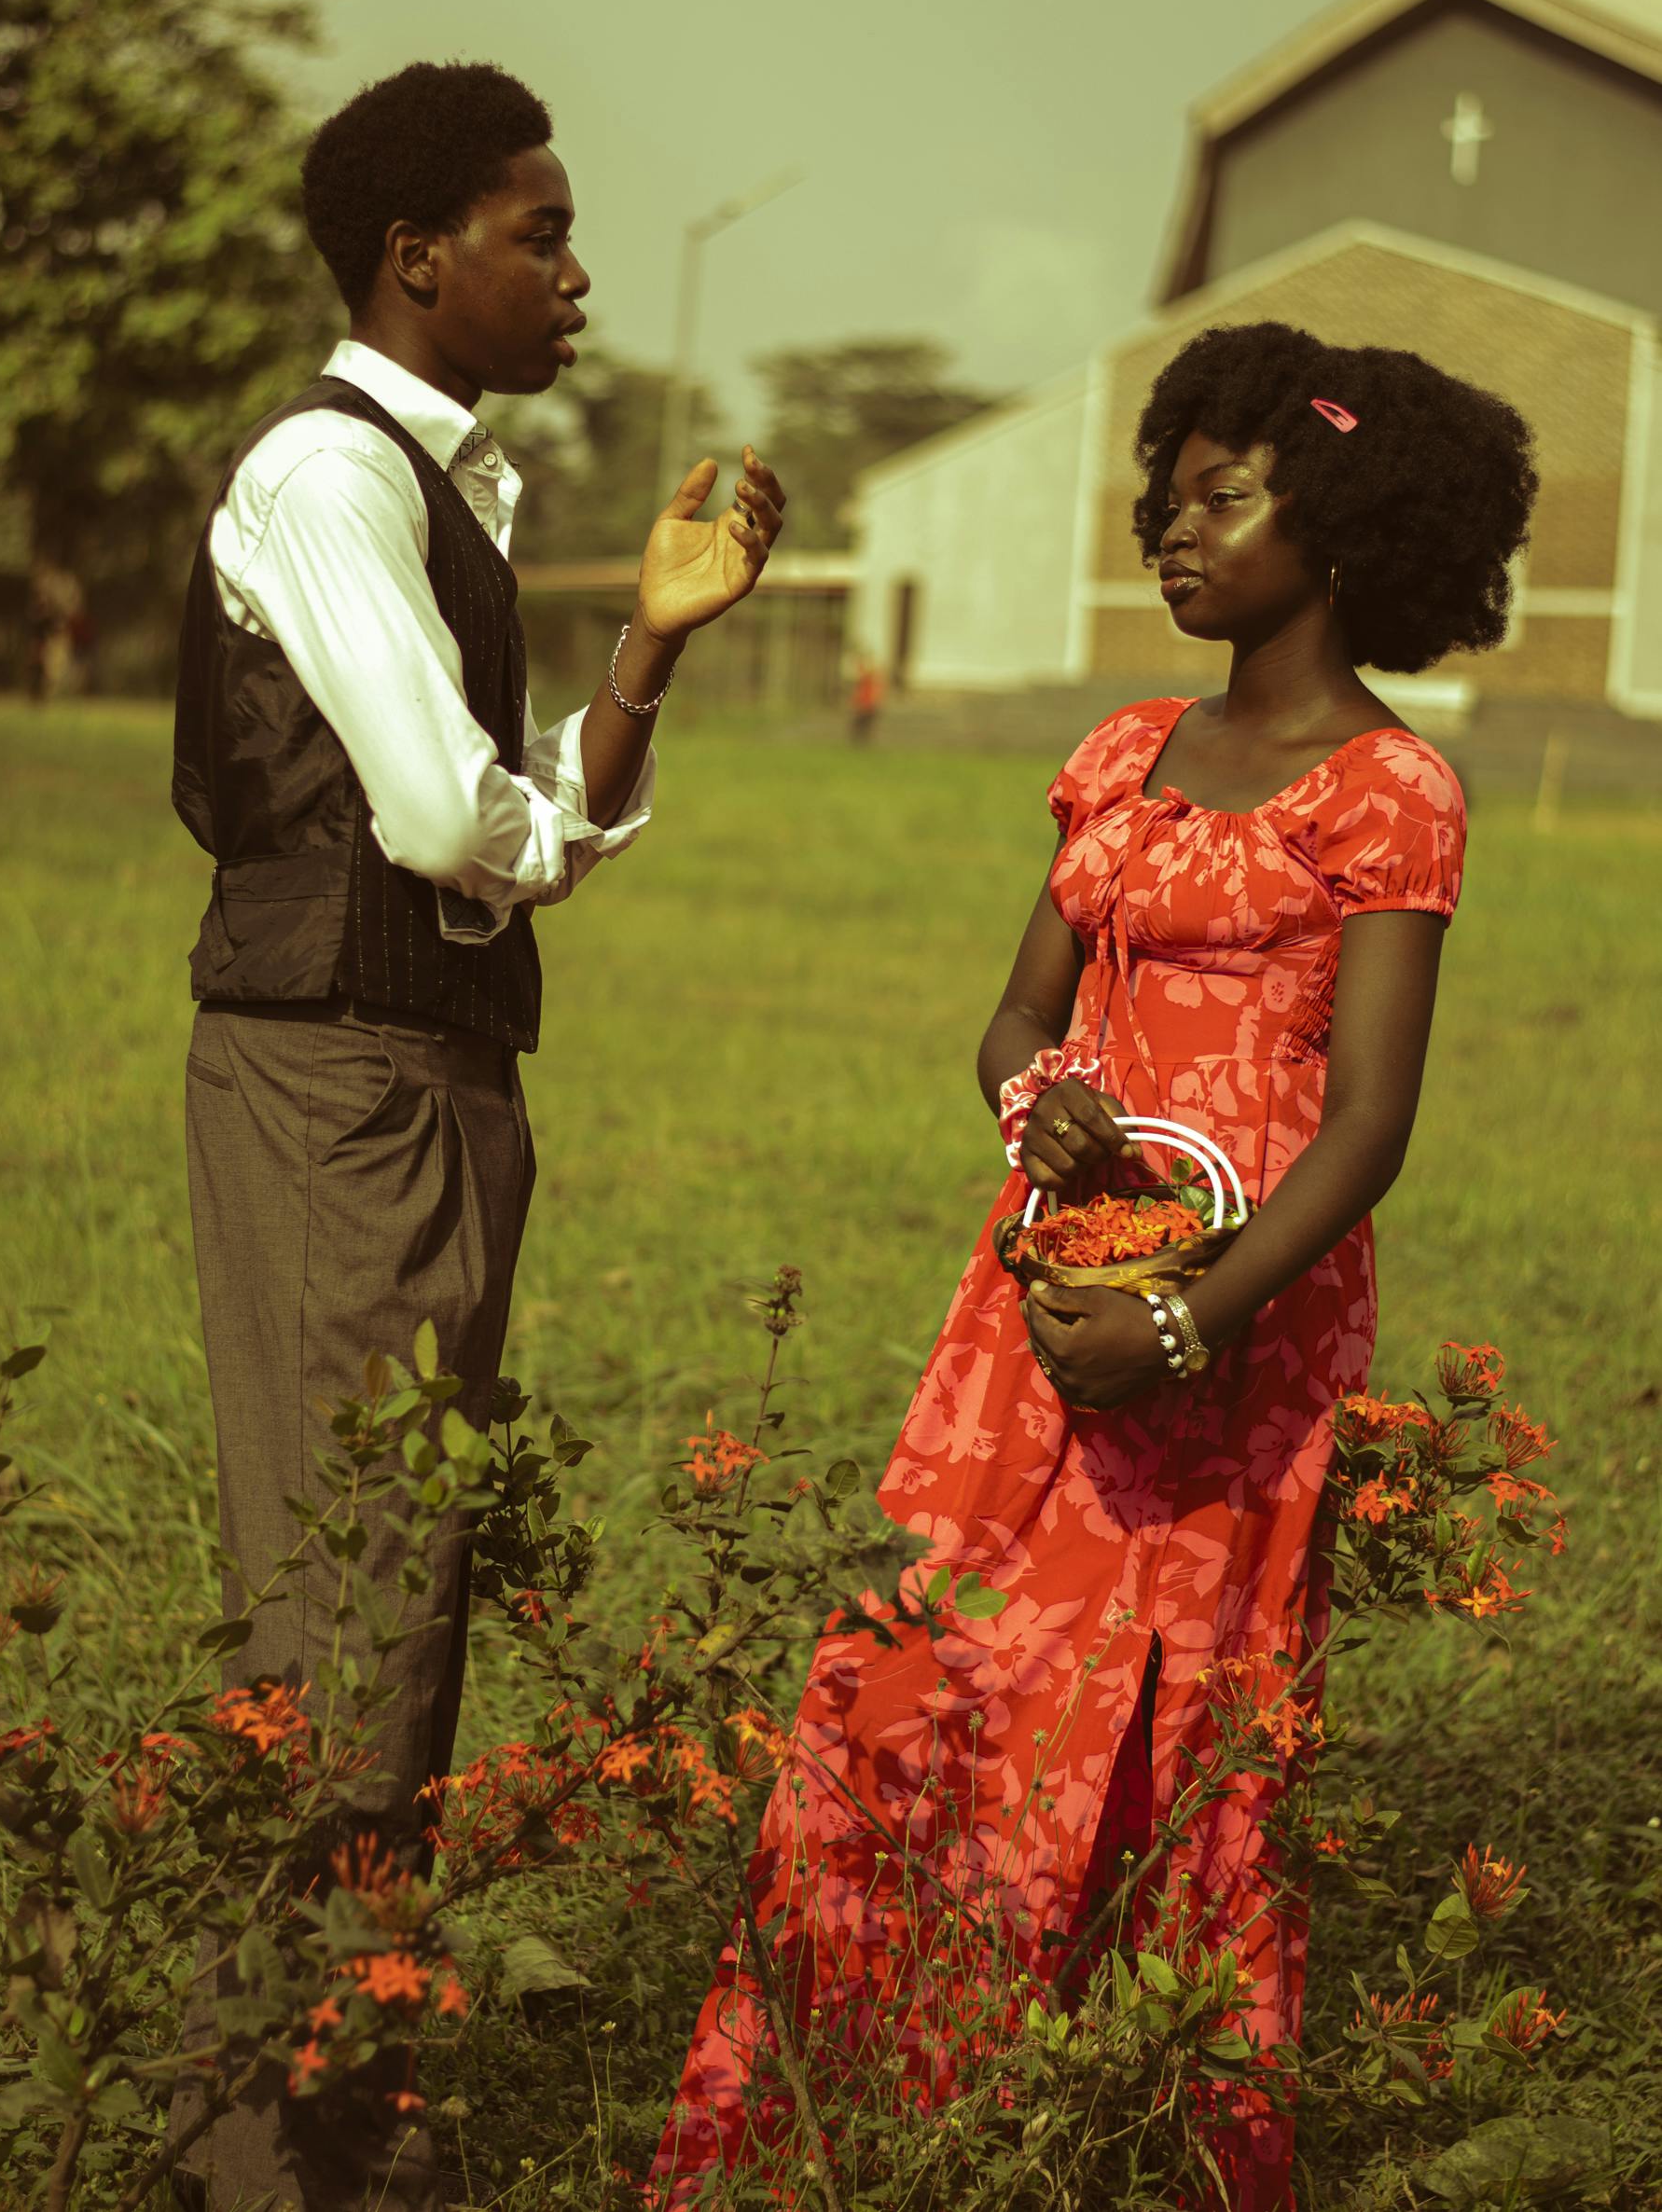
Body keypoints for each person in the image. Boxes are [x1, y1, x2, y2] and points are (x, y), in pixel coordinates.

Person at [650, 319, 1536, 2207]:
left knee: (1169, 1697)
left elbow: (1371, 1120)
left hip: (1239, 1313)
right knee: (927, 1667)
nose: (1173, 526)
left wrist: (1190, 1320)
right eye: (1164, 493)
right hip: (1041, 1293)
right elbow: (1016, 1025)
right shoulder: (1122, 754)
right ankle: (866, 2103)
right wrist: (1041, 1110)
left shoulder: (1393, 789)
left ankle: (1114, 2122)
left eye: (1224, 494)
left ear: (1355, 521)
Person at [168, 60, 786, 2212]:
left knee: (392, 1593)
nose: (580, 270)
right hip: (340, 1080)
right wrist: (514, 830)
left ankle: (322, 2101)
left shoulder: (452, 494)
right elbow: (447, 820)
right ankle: (278, 2139)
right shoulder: (330, 480)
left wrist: (642, 655)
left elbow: (502, 817)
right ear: (418, 257)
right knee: (344, 1597)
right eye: (544, 230)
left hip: (416, 1073)